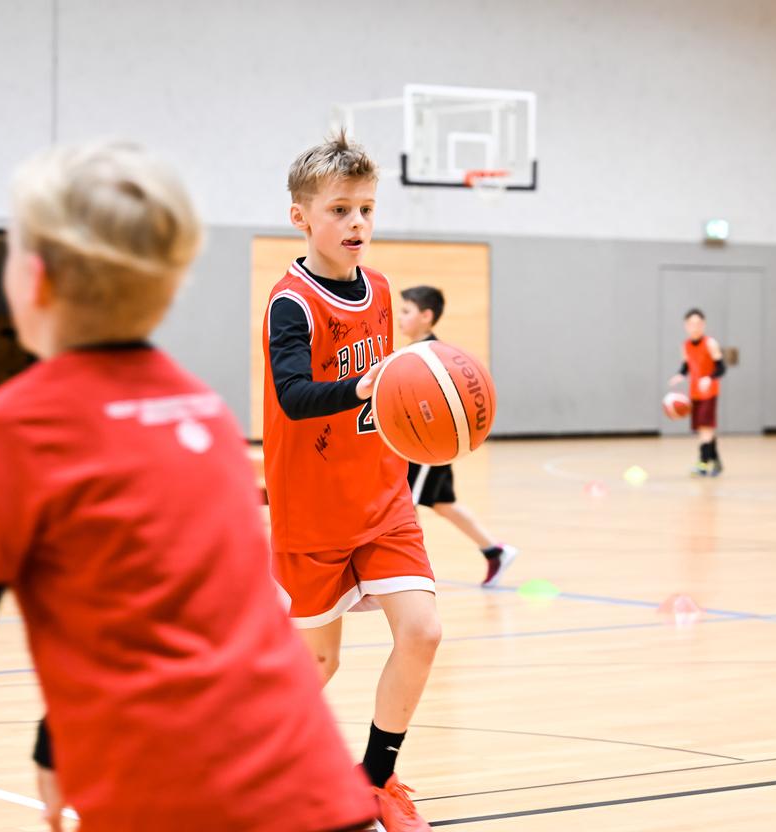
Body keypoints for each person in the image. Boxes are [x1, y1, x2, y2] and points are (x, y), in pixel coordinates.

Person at [0, 139, 376, 832]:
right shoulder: (200, 411)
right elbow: (175, 614)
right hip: (315, 784)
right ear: (167, 288)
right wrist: (56, 743)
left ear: (36, 281)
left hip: (173, 799)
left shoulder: (11, 427)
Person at [263, 131, 441, 832]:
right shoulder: (292, 303)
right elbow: (291, 394)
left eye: (366, 209)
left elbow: (387, 396)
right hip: (313, 511)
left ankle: (376, 780)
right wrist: (362, 386)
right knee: (318, 664)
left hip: (383, 498)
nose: (357, 224)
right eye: (339, 210)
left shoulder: (384, 289)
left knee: (422, 632)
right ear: (301, 216)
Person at [397, 285, 517, 586]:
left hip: (428, 445)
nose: (399, 317)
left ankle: (410, 574)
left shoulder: (434, 357)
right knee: (442, 504)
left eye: (406, 311)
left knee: (405, 504)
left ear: (427, 316)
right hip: (425, 443)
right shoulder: (411, 353)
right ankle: (495, 551)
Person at [669, 308, 726, 476]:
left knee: (705, 429)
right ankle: (716, 462)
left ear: (704, 325)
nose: (695, 327)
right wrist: (680, 375)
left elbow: (721, 368)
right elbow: (686, 365)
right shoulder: (685, 345)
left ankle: (703, 463)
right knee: (704, 430)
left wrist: (709, 378)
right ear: (686, 325)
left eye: (698, 323)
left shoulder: (710, 343)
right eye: (691, 323)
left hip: (709, 392)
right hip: (694, 393)